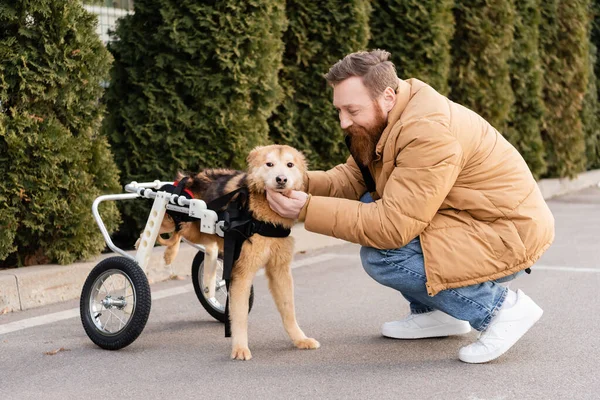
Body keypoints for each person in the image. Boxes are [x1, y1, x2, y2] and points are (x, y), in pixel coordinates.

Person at [266, 49, 555, 364]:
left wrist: (307, 209)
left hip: (504, 233)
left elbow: (393, 227)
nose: (343, 121)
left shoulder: (427, 133)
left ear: (387, 96)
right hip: (468, 220)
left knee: (383, 254)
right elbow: (355, 178)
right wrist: (298, 182)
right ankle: (437, 313)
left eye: (352, 110)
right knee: (369, 205)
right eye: (339, 110)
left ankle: (499, 310)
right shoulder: (387, 119)